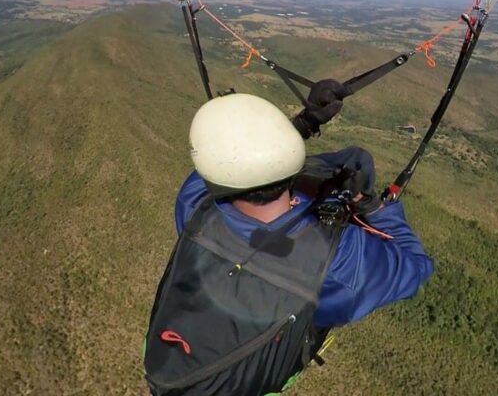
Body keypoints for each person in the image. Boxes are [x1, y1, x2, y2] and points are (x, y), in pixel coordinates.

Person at [145, 84, 434, 396]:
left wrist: (304, 125)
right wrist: (370, 205)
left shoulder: (194, 204)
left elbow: (233, 163)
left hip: (170, 370)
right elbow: (416, 266)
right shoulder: (339, 263)